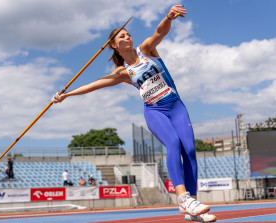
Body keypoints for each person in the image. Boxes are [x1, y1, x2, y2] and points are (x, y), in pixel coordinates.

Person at [53, 5, 216, 222]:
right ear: (114, 45)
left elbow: (160, 32)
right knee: (174, 144)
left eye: (128, 34)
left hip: (176, 106)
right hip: (155, 111)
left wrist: (168, 17)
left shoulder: (146, 50)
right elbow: (93, 85)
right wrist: (66, 95)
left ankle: (192, 208)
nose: (128, 36)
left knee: (190, 151)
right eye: (122, 35)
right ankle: (183, 198)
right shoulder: (122, 73)